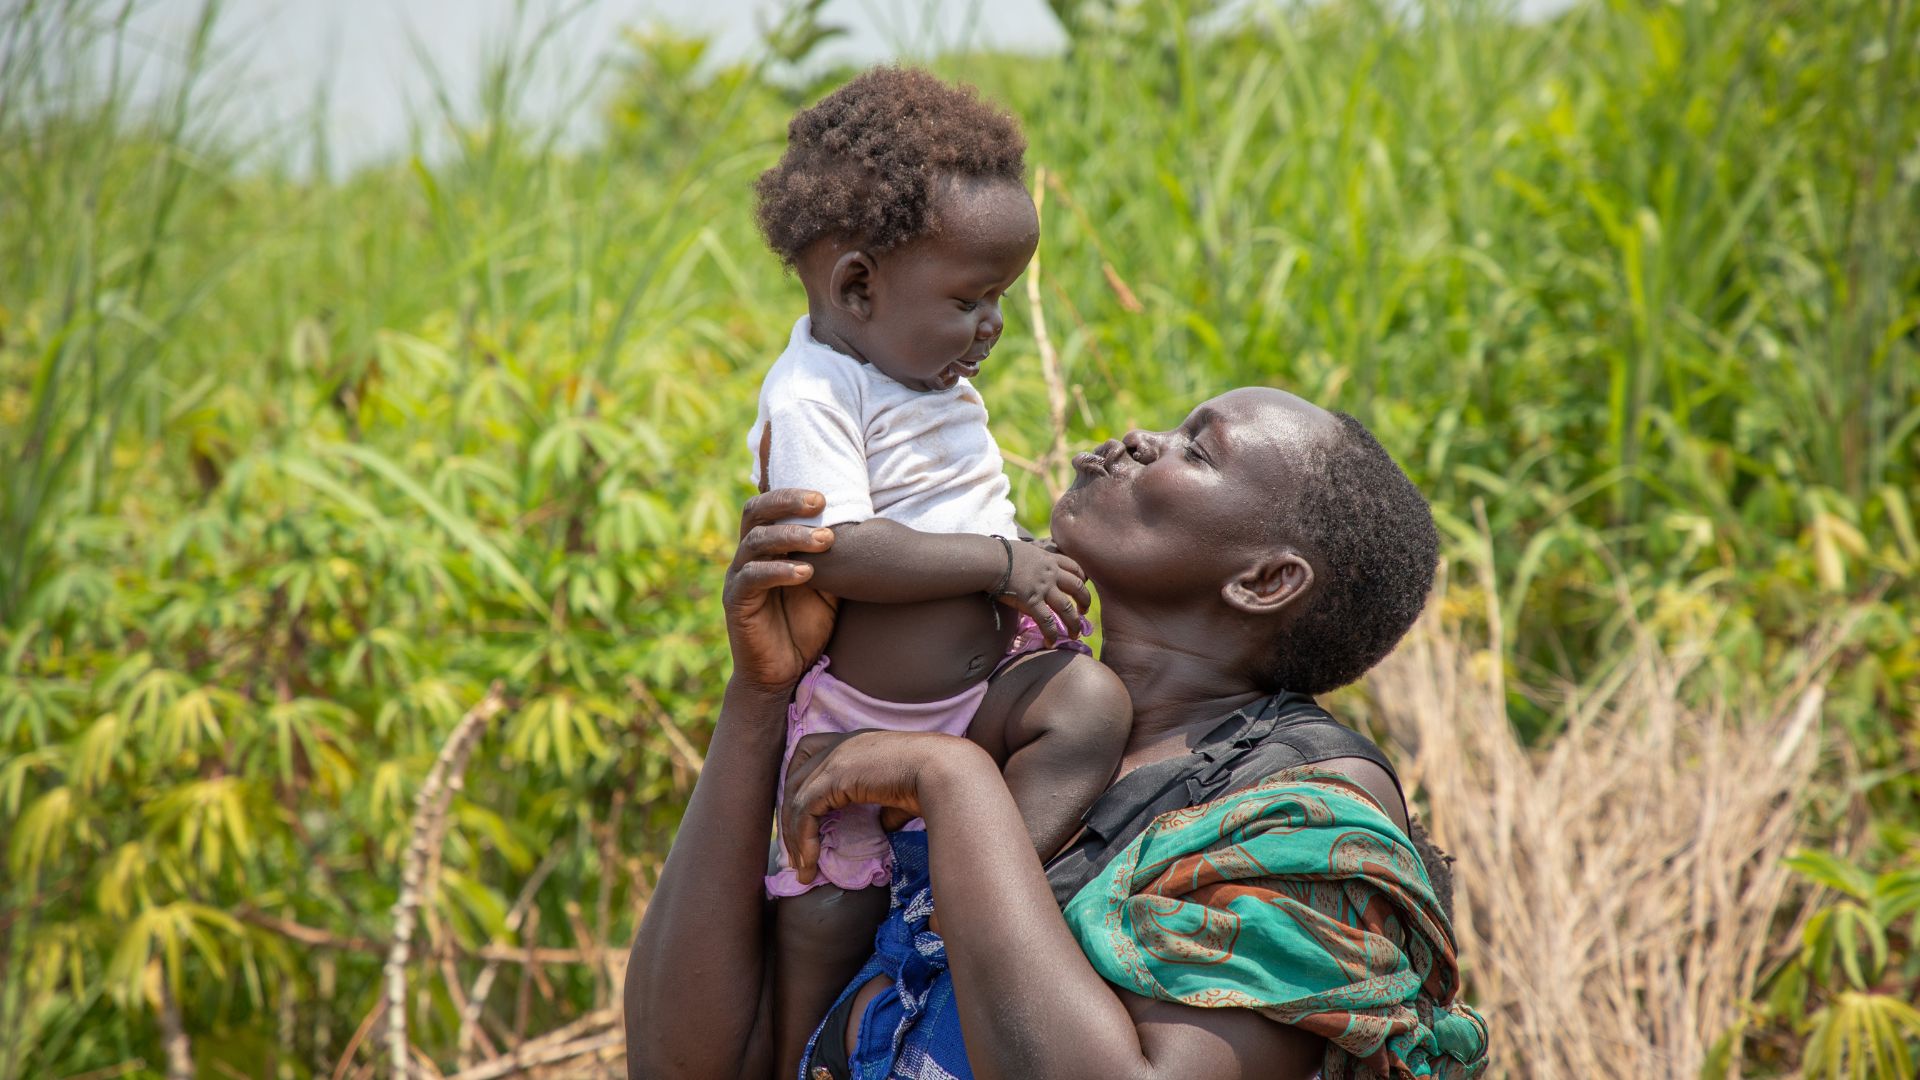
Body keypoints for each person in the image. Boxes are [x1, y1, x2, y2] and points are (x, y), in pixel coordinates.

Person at [627, 387, 1489, 1080]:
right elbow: (686, 1063)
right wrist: (762, 697)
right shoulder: (1003, 710)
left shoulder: (1299, 815)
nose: (1134, 438)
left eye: (1197, 448)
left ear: (1264, 581)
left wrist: (951, 783)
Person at [743, 66, 1133, 1077]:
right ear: (860, 286)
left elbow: (961, 507)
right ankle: (800, 1057)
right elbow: (846, 550)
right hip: (858, 724)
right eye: (969, 299)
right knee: (820, 924)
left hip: (973, 702)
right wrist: (1007, 564)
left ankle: (953, 903)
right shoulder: (817, 391)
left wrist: (1030, 603)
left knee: (1087, 704)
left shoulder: (927, 375)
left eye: (998, 299)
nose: (991, 325)